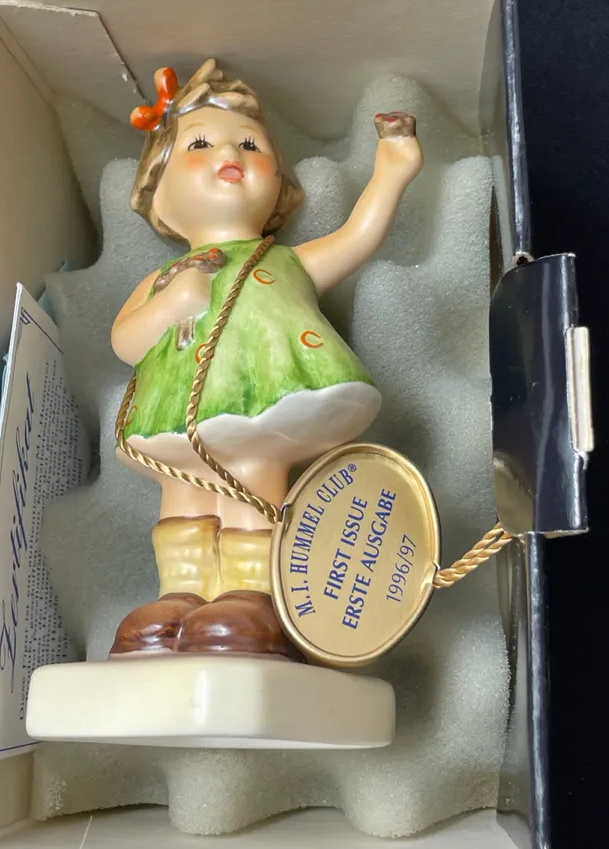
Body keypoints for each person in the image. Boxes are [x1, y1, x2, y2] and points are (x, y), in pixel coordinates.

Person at [110, 58, 423, 657]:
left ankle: (250, 594)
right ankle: (178, 594)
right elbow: (125, 340)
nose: (231, 153)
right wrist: (172, 302)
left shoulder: (286, 262)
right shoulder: (166, 276)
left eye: (251, 145)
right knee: (184, 487)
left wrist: (392, 169)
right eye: (199, 144)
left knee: (254, 468)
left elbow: (357, 237)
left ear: (278, 183)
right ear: (160, 200)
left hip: (265, 395)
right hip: (178, 408)